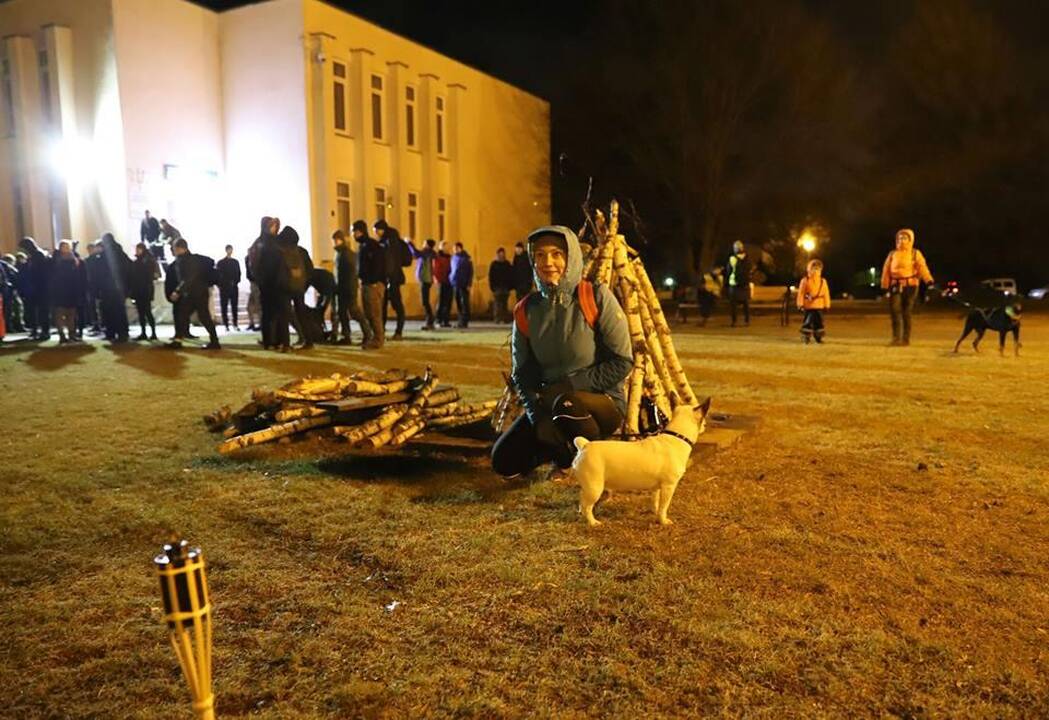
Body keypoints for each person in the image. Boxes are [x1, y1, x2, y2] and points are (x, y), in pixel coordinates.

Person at [491, 226, 633, 478]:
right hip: (551, 404)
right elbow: (522, 372)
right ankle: (564, 456)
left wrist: (571, 384)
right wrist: (536, 416)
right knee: (503, 460)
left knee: (568, 403)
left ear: (571, 258)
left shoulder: (595, 297)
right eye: (541, 255)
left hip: (598, 404)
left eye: (557, 254)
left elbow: (622, 361)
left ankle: (596, 468)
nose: (549, 262)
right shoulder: (527, 309)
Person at [881, 228, 934, 347]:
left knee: (906, 312)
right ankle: (896, 338)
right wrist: (885, 285)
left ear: (910, 240)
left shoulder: (915, 253)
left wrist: (928, 280)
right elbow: (886, 270)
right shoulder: (892, 254)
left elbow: (922, 267)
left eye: (905, 238)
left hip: (911, 286)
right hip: (895, 286)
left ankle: (905, 339)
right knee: (894, 311)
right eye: (900, 238)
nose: (902, 240)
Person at [167, 238, 220, 349]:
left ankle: (214, 341)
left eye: (174, 248)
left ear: (180, 248)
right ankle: (178, 340)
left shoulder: (187, 261)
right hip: (195, 293)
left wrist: (177, 291)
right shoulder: (188, 259)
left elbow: (188, 278)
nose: (173, 251)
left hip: (195, 293)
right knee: (184, 315)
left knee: (201, 317)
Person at [276, 225, 313, 349]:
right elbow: (310, 269)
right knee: (302, 314)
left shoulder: (279, 251)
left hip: (284, 288)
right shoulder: (302, 251)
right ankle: (309, 341)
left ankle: (286, 344)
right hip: (299, 288)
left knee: (284, 316)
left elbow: (275, 271)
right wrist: (304, 285)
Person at [332, 229, 370, 346]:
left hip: (347, 289)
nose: (333, 243)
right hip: (342, 288)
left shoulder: (347, 254)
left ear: (340, 240)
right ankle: (346, 336)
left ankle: (368, 334)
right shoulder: (340, 253)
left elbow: (350, 274)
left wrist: (349, 289)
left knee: (355, 312)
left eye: (335, 240)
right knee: (342, 313)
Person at [249, 216, 281, 349]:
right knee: (268, 313)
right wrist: (259, 279)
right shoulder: (264, 243)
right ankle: (269, 340)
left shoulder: (262, 242)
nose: (275, 228)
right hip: (267, 283)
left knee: (272, 313)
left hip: (271, 283)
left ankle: (273, 340)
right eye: (272, 225)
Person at [374, 219, 408, 340]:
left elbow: (390, 262)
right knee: (389, 305)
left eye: (376, 231)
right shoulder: (393, 241)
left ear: (381, 230)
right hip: (393, 277)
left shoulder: (389, 243)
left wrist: (388, 277)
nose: (375, 234)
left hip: (391, 278)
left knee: (393, 305)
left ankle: (394, 331)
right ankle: (390, 331)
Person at [355, 220, 386, 349]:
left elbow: (377, 264)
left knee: (374, 313)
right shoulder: (364, 246)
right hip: (367, 283)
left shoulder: (371, 246)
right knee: (368, 312)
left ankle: (378, 339)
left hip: (372, 284)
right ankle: (372, 337)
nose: (353, 235)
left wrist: (374, 281)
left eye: (354, 231)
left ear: (359, 231)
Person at [96, 233, 131, 342]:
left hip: (108, 289)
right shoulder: (120, 253)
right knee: (119, 311)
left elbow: (100, 273)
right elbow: (128, 269)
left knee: (109, 311)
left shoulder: (104, 255)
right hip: (119, 288)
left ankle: (111, 332)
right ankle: (122, 333)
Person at [17, 237, 52, 341]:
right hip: (36, 287)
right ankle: (36, 330)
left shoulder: (38, 255)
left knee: (42, 311)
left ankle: (44, 331)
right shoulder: (34, 255)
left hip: (40, 287)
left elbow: (39, 273)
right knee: (35, 311)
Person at [49, 241, 83, 344]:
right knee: (60, 314)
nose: (66, 249)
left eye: (67, 246)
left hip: (71, 290)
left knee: (71, 314)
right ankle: (62, 335)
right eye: (63, 247)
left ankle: (71, 334)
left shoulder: (74, 259)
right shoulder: (55, 260)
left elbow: (78, 275)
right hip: (60, 291)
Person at [129, 242, 159, 341]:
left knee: (146, 312)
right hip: (142, 290)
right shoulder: (146, 260)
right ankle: (146, 333)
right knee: (143, 312)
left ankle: (151, 333)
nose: (136, 251)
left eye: (138, 249)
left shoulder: (146, 261)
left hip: (143, 290)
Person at [797, 259, 831, 344]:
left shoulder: (823, 281)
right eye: (813, 268)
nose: (815, 270)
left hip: (819, 305)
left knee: (818, 322)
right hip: (809, 305)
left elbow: (826, 293)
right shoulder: (805, 280)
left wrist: (827, 304)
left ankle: (818, 337)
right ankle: (806, 336)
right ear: (809, 269)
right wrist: (800, 304)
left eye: (817, 268)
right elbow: (801, 293)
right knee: (808, 321)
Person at [406, 237, 437, 330]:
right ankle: (430, 321)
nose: (423, 244)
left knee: (425, 301)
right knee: (425, 301)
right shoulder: (429, 253)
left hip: (425, 279)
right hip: (426, 279)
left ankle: (430, 322)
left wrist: (410, 243)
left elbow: (416, 253)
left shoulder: (427, 252)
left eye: (424, 243)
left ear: (427, 245)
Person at [723, 240, 752, 327]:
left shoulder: (732, 259)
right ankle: (747, 321)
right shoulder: (747, 258)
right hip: (745, 284)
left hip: (734, 284)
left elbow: (729, 271)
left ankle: (734, 321)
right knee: (745, 303)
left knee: (733, 304)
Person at [216, 245, 241, 331]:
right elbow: (218, 275)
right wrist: (221, 285)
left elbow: (238, 274)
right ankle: (226, 325)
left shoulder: (235, 262)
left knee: (234, 306)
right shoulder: (220, 262)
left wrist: (235, 282)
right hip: (224, 288)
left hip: (233, 287)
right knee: (224, 306)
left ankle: (235, 323)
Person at [450, 242, 474, 328]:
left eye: (456, 248)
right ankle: (460, 321)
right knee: (458, 302)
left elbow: (470, 272)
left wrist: (469, 283)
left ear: (460, 248)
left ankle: (464, 321)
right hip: (455, 283)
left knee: (464, 303)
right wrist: (451, 278)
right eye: (454, 249)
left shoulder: (467, 258)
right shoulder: (453, 258)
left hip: (464, 284)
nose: (454, 250)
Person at [488, 247, 514, 323]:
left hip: (505, 287)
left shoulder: (507, 263)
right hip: (497, 287)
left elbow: (511, 275)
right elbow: (491, 276)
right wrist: (492, 286)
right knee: (497, 304)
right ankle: (497, 318)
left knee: (504, 304)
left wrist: (510, 286)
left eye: (502, 254)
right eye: (500, 254)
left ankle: (505, 318)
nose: (501, 255)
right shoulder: (494, 264)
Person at [434, 240, 453, 327]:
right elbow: (436, 270)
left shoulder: (450, 257)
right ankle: (438, 320)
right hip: (441, 281)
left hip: (449, 281)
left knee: (448, 302)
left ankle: (446, 320)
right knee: (441, 301)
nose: (448, 249)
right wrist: (438, 279)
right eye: (445, 247)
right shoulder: (438, 257)